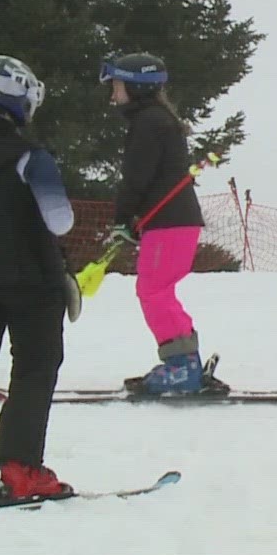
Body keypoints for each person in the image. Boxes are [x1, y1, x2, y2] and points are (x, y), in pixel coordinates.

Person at [0, 56, 75, 502]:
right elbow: (60, 220)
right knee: (35, 370)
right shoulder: (29, 156)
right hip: (32, 283)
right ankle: (21, 469)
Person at [100, 54, 212, 395]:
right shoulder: (156, 119)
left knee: (153, 291)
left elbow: (137, 176)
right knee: (158, 290)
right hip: (172, 221)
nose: (113, 96)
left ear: (136, 88)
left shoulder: (148, 122)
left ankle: (182, 367)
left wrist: (123, 217)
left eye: (117, 87)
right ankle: (184, 362)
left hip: (170, 222)